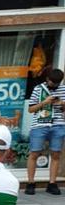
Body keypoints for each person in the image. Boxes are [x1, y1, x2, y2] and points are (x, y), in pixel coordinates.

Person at [26, 68, 65, 196]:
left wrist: (62, 104)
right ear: (47, 79)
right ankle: (31, 183)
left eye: (56, 84)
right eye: (52, 83)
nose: (53, 85)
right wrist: (44, 102)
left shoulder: (63, 89)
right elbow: (31, 109)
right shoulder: (38, 89)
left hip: (58, 125)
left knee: (55, 154)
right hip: (39, 125)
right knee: (34, 153)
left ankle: (52, 183)